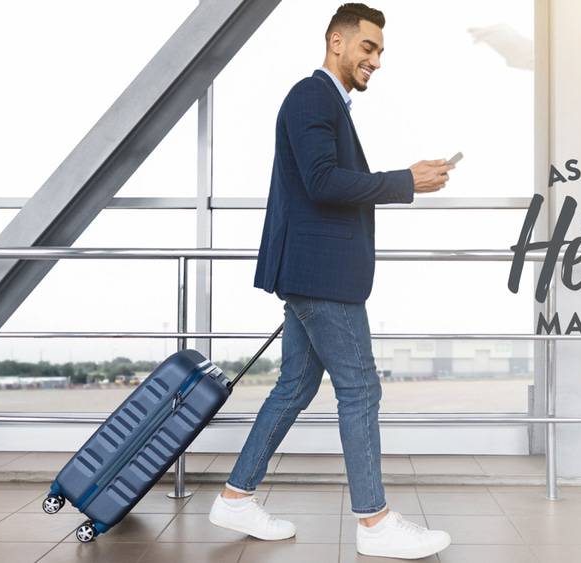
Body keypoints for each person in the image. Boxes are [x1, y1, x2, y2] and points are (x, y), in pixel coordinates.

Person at [208, 3, 455, 559]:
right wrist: (404, 180)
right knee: (360, 389)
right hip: (320, 277)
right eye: (367, 48)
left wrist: (404, 178)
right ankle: (374, 523)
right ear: (336, 42)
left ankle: (236, 496)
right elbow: (321, 181)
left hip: (311, 272)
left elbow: (326, 179)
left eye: (381, 52)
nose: (376, 60)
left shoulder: (327, 103)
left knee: (295, 387)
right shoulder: (311, 96)